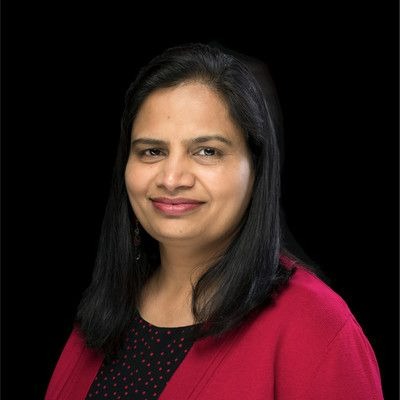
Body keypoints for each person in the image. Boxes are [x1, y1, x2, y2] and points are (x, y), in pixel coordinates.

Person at [45, 42, 384, 399]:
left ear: (256, 168)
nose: (171, 179)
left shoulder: (317, 327)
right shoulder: (105, 311)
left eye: (207, 151)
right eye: (152, 151)